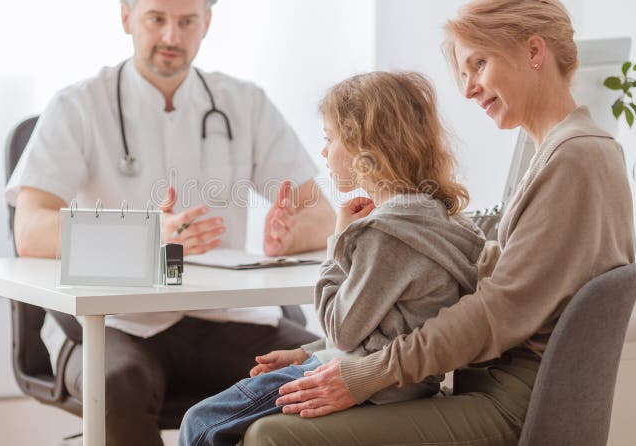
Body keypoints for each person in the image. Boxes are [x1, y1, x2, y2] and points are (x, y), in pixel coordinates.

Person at [241, 0, 636, 445]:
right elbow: (452, 297)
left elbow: (494, 312)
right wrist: (324, 351)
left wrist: (364, 375)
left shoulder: (575, 160)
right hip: (495, 386)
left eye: (478, 65)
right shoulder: (555, 153)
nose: (468, 89)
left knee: (274, 434)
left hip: (515, 402)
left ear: (533, 51)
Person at [5, 0, 334, 446]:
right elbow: (30, 232)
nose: (170, 37)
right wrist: (145, 236)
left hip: (226, 318)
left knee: (330, 372)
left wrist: (289, 234)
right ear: (126, 18)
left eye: (186, 21)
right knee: (115, 385)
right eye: (156, 19)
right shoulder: (78, 106)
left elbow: (320, 213)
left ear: (207, 22)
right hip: (113, 321)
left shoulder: (243, 103)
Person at [178, 71, 486, 446]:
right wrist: (305, 352)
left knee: (201, 422)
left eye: (330, 139)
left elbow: (342, 328)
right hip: (398, 383)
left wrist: (338, 240)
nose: (324, 152)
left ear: (363, 147)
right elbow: (385, 327)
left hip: (366, 383)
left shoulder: (387, 235)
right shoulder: (439, 220)